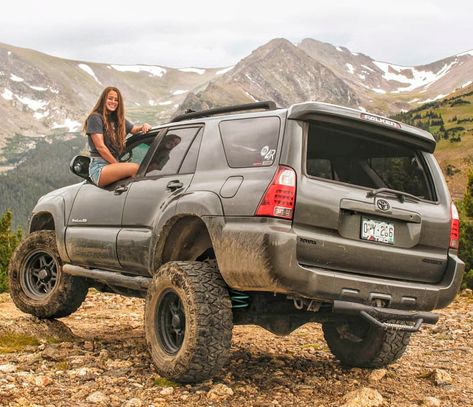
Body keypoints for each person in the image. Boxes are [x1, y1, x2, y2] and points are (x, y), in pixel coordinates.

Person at [84, 86, 152, 187]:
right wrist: (117, 164)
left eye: (116, 100)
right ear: (103, 99)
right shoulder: (95, 117)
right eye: (110, 98)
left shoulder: (118, 119)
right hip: (99, 167)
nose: (113, 102)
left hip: (112, 165)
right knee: (135, 168)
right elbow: (100, 147)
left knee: (149, 169)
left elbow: (134, 130)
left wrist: (144, 126)